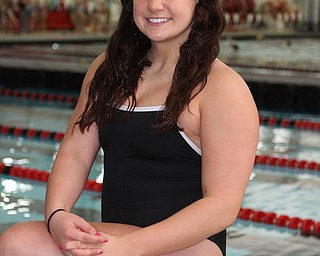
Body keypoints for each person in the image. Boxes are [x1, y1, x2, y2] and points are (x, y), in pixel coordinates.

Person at [0, 0, 259, 255]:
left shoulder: (222, 88)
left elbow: (222, 206)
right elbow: (75, 151)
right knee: (18, 241)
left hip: (188, 247)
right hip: (116, 241)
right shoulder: (108, 71)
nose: (155, 5)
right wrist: (56, 216)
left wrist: (127, 249)